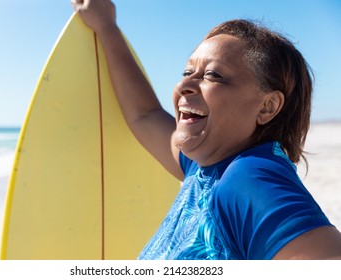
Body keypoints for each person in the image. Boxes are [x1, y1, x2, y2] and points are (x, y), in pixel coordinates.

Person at [71, 0, 341, 259]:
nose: (184, 86)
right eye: (187, 72)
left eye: (213, 75)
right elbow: (145, 114)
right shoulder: (203, 168)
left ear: (267, 107)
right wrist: (107, 27)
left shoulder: (249, 176)